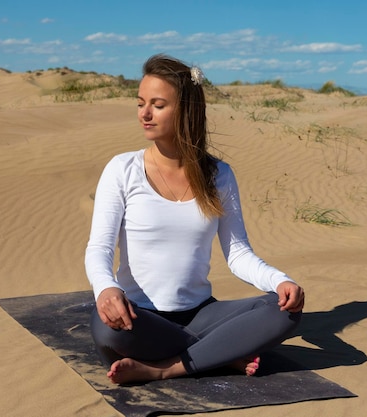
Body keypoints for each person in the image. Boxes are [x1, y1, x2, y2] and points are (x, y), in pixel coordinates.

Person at [85, 54, 304, 385]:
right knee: (107, 329)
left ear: (185, 110)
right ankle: (221, 354)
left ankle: (166, 368)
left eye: (157, 105)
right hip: (140, 317)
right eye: (141, 103)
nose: (144, 114)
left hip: (202, 315)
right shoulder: (123, 169)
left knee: (283, 311)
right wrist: (106, 290)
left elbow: (238, 252)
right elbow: (99, 247)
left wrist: (280, 281)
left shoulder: (219, 175)